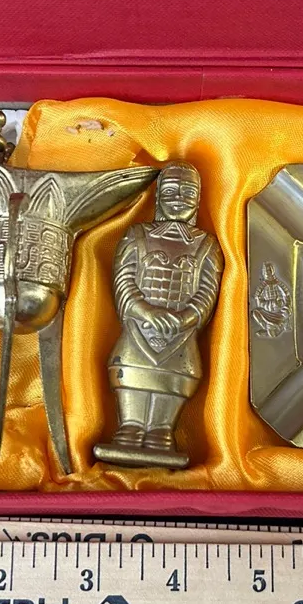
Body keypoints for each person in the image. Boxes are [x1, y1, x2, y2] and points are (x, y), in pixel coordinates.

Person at [95, 162, 224, 467]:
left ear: (198, 198)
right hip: (137, 329)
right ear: (157, 195)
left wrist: (187, 317)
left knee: (175, 379)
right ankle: (129, 427)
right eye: (171, 190)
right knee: (131, 373)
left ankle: (162, 431)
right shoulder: (136, 235)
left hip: (182, 335)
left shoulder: (207, 246)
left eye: (187, 191)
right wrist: (144, 311)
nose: (178, 198)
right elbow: (124, 280)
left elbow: (207, 290)